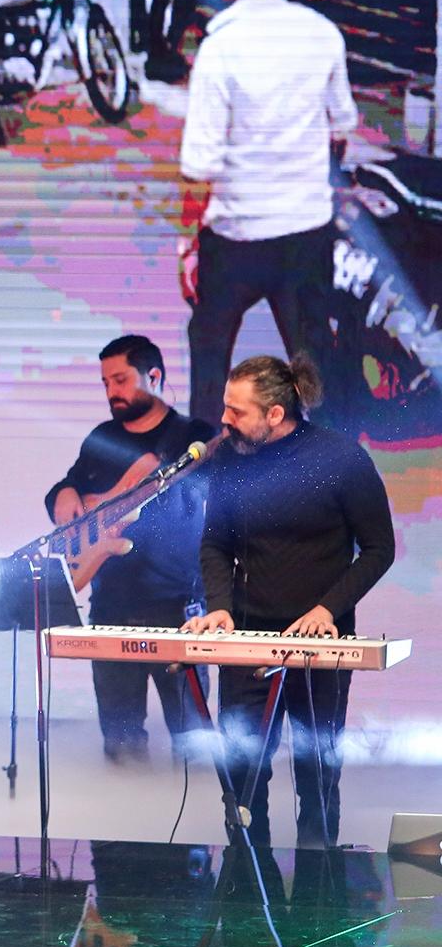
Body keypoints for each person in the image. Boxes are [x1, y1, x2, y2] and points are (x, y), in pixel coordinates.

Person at [183, 355, 394, 847]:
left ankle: (317, 885)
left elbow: (379, 549)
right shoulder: (230, 460)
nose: (224, 420)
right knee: (242, 779)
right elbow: (215, 543)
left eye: (237, 411)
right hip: (246, 640)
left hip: (320, 644)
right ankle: (250, 884)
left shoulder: (341, 459)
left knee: (317, 779)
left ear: (275, 413)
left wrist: (327, 609)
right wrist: (220, 606)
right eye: (226, 407)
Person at [178, 0, 358, 426]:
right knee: (312, 350)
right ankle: (330, 448)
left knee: (209, 342)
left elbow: (199, 167)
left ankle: (205, 449)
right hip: (306, 230)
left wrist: (188, 245)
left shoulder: (220, 48)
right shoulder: (322, 33)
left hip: (236, 237)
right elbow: (341, 127)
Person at [45, 335, 215, 762]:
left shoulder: (193, 435)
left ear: (153, 376)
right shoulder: (101, 437)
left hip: (177, 606)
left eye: (120, 380)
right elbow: (70, 487)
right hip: (110, 608)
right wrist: (63, 493)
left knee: (192, 741)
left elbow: (211, 492)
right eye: (105, 383)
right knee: (120, 743)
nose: (111, 392)